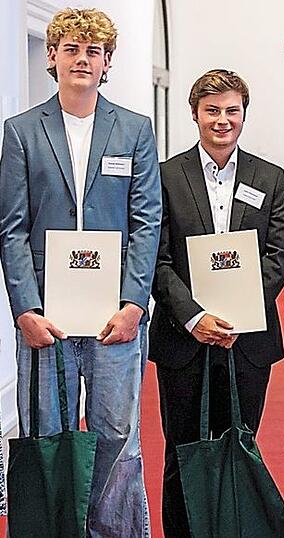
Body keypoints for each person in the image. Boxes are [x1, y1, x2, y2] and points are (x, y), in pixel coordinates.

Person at [0, 8, 160, 536]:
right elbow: (13, 228)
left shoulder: (135, 130)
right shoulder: (21, 132)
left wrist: (136, 302)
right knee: (50, 431)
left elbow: (145, 222)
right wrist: (25, 309)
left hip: (116, 316)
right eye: (71, 49)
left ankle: (112, 532)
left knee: (117, 434)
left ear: (107, 61)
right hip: (47, 319)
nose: (82, 60)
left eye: (93, 51)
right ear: (52, 56)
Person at [149, 69, 284, 537]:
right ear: (195, 113)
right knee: (182, 449)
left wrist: (239, 310)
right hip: (183, 338)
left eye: (232, 110)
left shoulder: (269, 178)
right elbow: (156, 257)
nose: (223, 120)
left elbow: (281, 254)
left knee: (240, 446)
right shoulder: (166, 176)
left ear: (244, 115)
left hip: (247, 341)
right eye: (212, 110)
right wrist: (194, 317)